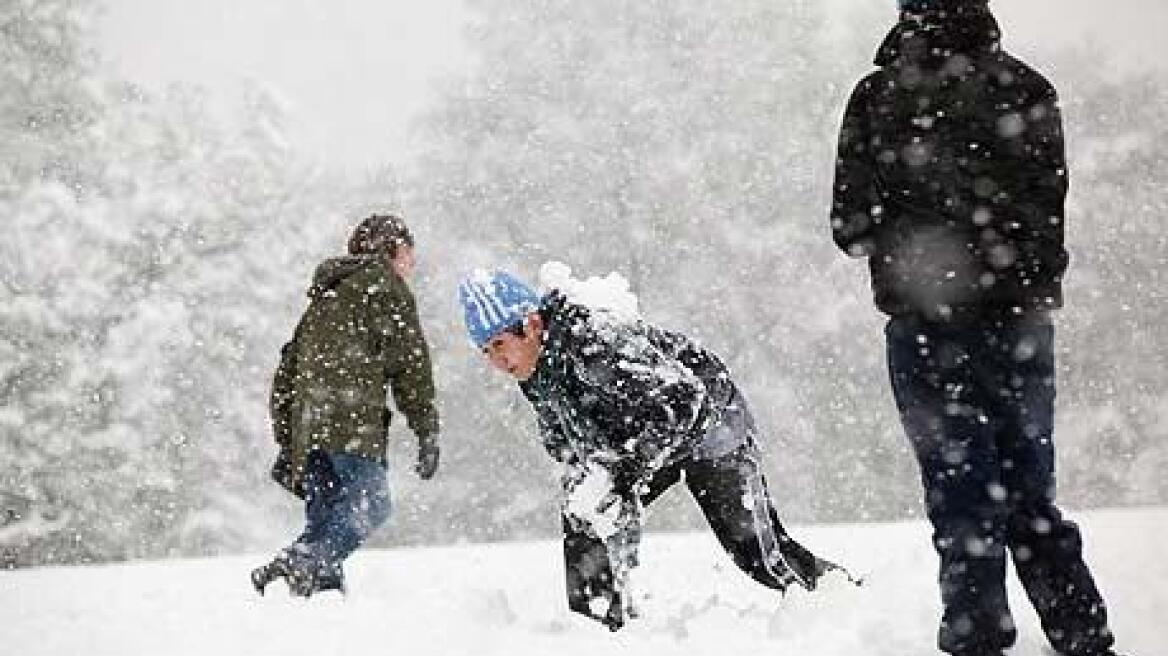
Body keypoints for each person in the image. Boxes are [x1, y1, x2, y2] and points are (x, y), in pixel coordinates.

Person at [830, 2, 1120, 655]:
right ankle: (1079, 628)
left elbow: (849, 227)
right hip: (1019, 325)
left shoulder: (878, 96)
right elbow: (1048, 216)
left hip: (926, 330)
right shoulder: (1028, 88)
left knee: (960, 490)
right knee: (1029, 489)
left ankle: (977, 628)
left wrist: (916, 243)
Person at [457, 269, 843, 630]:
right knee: (584, 510)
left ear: (533, 325)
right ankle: (598, 628)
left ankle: (845, 600)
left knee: (756, 553)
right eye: (486, 352)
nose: (497, 361)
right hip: (644, 442)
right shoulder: (534, 370)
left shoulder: (593, 344)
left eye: (499, 345)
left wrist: (630, 467)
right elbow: (563, 438)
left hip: (710, 422)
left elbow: (684, 401)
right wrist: (591, 478)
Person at [251, 214, 441, 597]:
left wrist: (288, 438)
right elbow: (410, 368)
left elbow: (286, 372)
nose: (412, 265)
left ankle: (318, 591)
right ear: (392, 252)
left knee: (326, 517)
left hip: (311, 428)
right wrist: (427, 430)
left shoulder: (325, 297)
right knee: (371, 505)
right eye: (408, 255)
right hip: (352, 424)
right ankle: (303, 563)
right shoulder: (386, 288)